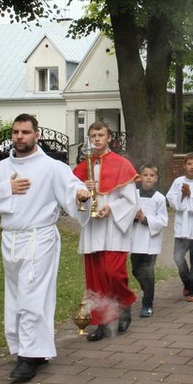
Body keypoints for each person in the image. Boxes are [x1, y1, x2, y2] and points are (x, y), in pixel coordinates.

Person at [0, 113, 90, 382]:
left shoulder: (51, 167)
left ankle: (28, 358)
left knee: (32, 296)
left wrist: (80, 196)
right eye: (16, 132)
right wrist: (8, 188)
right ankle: (30, 349)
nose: (19, 137)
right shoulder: (2, 169)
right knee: (17, 297)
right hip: (11, 239)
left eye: (25, 132)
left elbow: (73, 187)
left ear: (36, 135)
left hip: (39, 238)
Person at [72, 121, 140, 342]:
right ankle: (101, 322)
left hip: (113, 227)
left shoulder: (122, 164)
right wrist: (83, 192)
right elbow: (73, 197)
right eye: (93, 135)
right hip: (92, 227)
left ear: (109, 137)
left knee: (113, 272)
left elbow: (130, 199)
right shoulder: (84, 167)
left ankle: (124, 303)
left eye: (101, 134)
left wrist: (111, 208)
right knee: (95, 277)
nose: (97, 138)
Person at [166, 152, 193, 302]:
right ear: (184, 165)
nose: (191, 167)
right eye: (189, 164)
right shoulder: (178, 182)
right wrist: (182, 196)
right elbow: (171, 199)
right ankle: (188, 282)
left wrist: (191, 195)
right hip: (181, 227)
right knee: (177, 257)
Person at [130, 164, 169, 318]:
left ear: (156, 178)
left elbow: (163, 220)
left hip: (150, 241)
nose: (148, 178)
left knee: (148, 272)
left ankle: (147, 304)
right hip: (135, 239)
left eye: (151, 175)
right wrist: (133, 217)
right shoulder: (134, 195)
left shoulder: (159, 198)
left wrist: (145, 218)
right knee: (135, 270)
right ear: (140, 177)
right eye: (145, 175)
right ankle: (147, 290)